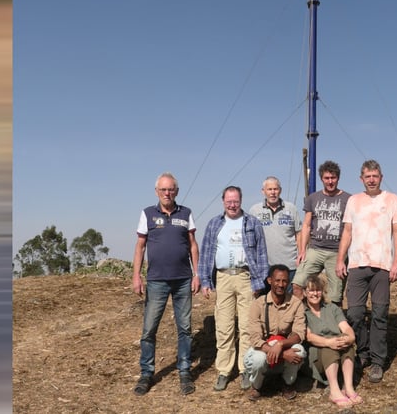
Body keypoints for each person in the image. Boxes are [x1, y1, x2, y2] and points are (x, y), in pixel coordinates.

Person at [131, 172, 200, 397]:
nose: (167, 193)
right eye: (163, 189)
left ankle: (184, 371)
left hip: (182, 280)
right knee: (149, 329)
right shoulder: (148, 214)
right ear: (156, 192)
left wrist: (197, 274)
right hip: (156, 281)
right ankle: (146, 373)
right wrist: (136, 276)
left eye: (171, 189)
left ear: (176, 191)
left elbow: (192, 246)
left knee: (185, 329)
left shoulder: (186, 213)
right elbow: (140, 246)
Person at [335, 159, 397, 384]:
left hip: (382, 266)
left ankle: (377, 361)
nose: (371, 179)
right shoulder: (354, 201)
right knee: (354, 314)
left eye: (375, 175)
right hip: (356, 266)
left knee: (380, 315)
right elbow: (347, 231)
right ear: (361, 179)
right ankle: (362, 352)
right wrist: (340, 260)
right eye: (367, 176)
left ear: (381, 177)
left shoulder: (392, 199)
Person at [198, 185, 270, 392]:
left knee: (247, 327)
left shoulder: (252, 222)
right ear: (223, 201)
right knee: (224, 326)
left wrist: (259, 281)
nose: (232, 204)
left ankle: (245, 370)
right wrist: (205, 281)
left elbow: (262, 254)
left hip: (246, 277)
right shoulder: (214, 224)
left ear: (241, 201)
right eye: (228, 201)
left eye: (235, 201)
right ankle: (223, 371)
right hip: (223, 278)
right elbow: (206, 254)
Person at [242, 264, 306, 402]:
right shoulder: (258, 304)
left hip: (283, 346)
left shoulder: (296, 304)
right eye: (277, 280)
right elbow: (255, 338)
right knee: (258, 359)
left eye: (284, 281)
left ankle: (287, 384)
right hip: (264, 350)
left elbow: (299, 334)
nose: (281, 285)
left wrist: (281, 344)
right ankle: (257, 386)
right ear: (270, 281)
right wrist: (281, 352)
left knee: (299, 351)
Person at [292, 160, 351, 305]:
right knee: (298, 285)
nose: (330, 181)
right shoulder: (313, 198)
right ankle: (305, 318)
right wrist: (302, 251)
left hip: (337, 252)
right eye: (327, 178)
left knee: (335, 296)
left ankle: (331, 323)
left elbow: (351, 229)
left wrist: (343, 256)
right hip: (315, 249)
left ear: (338, 178)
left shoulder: (349, 199)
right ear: (321, 179)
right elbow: (306, 225)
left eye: (333, 178)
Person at [302, 274, 362, 409]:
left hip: (337, 347)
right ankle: (334, 391)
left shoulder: (332, 308)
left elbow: (346, 328)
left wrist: (349, 338)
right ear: (305, 292)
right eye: (311, 290)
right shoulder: (302, 311)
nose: (315, 293)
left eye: (318, 290)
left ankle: (348, 387)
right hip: (316, 352)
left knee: (347, 345)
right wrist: (328, 342)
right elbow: (309, 336)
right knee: (329, 348)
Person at [249, 176, 302, 270]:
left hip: (290, 266)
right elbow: (250, 238)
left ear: (280, 190)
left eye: (275, 189)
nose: (273, 192)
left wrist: (301, 254)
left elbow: (299, 233)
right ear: (263, 191)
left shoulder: (291, 208)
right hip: (264, 266)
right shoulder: (254, 211)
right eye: (269, 189)